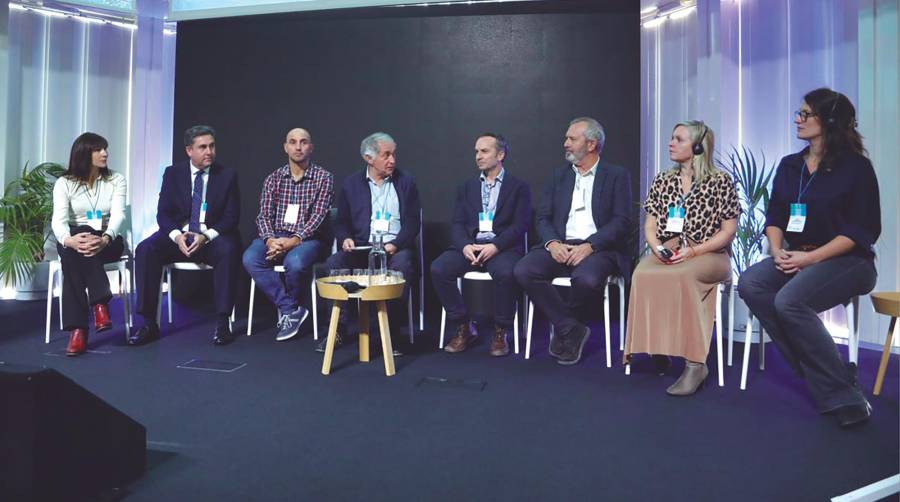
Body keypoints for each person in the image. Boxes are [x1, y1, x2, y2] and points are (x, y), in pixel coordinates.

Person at [738, 88, 881, 428]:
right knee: (752, 283)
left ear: (829, 121)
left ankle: (845, 396)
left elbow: (863, 230)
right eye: (798, 113)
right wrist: (777, 251)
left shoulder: (857, 168)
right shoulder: (790, 166)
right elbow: (774, 217)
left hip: (849, 260)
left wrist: (811, 258)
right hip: (797, 257)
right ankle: (829, 370)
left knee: (789, 301)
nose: (797, 119)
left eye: (805, 114)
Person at [623, 121, 739, 395]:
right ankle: (658, 346)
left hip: (710, 252)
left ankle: (695, 363)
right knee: (643, 272)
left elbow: (728, 231)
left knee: (684, 274)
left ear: (698, 146)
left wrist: (695, 250)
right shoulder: (663, 179)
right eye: (671, 138)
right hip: (671, 247)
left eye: (679, 139)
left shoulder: (719, 181)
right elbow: (650, 226)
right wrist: (656, 247)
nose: (671, 143)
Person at [513, 117, 632, 365]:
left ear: (591, 144)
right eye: (566, 138)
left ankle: (566, 325)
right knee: (524, 269)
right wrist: (552, 244)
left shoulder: (616, 175)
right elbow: (543, 218)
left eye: (571, 138)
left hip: (598, 248)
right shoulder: (558, 176)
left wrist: (590, 245)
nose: (565, 143)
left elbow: (621, 221)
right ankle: (570, 327)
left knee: (586, 279)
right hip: (561, 244)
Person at [129, 125, 242, 346]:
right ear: (189, 150)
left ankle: (222, 322)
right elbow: (163, 212)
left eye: (212, 146)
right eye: (203, 147)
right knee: (145, 249)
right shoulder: (173, 173)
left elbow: (231, 217)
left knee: (229, 249)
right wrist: (176, 236)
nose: (209, 151)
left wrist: (205, 236)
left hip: (209, 237)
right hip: (179, 236)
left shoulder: (227, 175)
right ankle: (149, 323)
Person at [317, 132, 421, 356]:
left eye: (393, 154)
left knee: (402, 266)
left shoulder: (406, 182)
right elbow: (341, 221)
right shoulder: (352, 184)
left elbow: (413, 222)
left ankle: (392, 335)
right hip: (361, 248)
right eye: (386, 155)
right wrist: (345, 238)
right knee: (334, 263)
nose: (392, 160)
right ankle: (337, 330)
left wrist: (396, 244)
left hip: (394, 248)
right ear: (369, 158)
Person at [432, 133, 531, 356]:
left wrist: (495, 246)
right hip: (471, 246)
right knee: (439, 268)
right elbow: (457, 223)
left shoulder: (518, 187)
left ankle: (500, 331)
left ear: (501, 154)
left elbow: (520, 225)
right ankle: (464, 326)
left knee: (507, 272)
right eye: (476, 151)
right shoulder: (466, 187)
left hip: (501, 248)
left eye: (484, 151)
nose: (478, 156)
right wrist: (465, 246)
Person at [242, 128, 334, 341]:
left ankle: (289, 312)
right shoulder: (273, 179)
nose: (298, 146)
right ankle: (291, 310)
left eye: (303, 142)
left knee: (295, 262)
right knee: (250, 258)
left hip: (307, 239)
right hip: (275, 236)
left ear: (311, 147)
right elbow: (263, 215)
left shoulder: (323, 178)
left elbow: (318, 217)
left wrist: (292, 241)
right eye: (293, 142)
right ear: (286, 147)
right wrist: (271, 240)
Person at [51, 133, 127, 356]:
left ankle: (78, 331)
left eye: (105, 149)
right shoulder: (65, 183)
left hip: (108, 239)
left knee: (76, 252)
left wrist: (105, 238)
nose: (105, 153)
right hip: (73, 240)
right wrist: (68, 240)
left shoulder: (116, 179)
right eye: (98, 150)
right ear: (84, 154)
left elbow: (119, 215)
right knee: (76, 244)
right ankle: (100, 305)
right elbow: (58, 219)